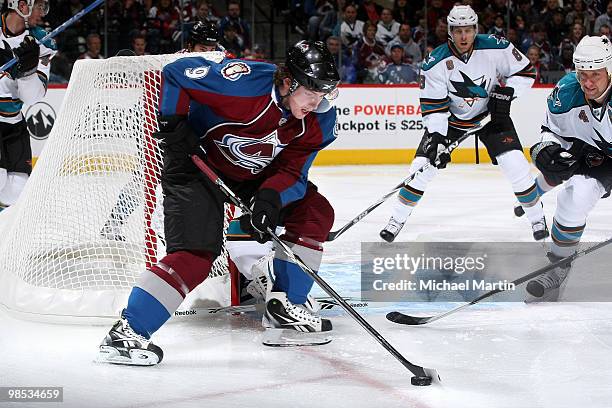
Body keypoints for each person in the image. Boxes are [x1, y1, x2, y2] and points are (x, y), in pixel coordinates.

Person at [97, 40, 340, 365]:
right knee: (196, 253)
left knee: (315, 212)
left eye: (322, 93)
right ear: (288, 81)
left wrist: (271, 197)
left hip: (255, 175)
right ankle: (127, 333)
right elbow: (177, 73)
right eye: (310, 91)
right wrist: (173, 120)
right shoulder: (244, 83)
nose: (316, 101)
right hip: (197, 166)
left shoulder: (319, 119)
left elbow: (294, 172)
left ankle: (286, 308)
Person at [380, 5, 546, 242]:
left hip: (492, 116)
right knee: (420, 168)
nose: (464, 36)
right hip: (451, 121)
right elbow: (434, 107)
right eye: (458, 31)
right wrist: (437, 139)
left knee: (516, 165)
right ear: (450, 31)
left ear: (475, 29)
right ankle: (396, 219)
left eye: (468, 30)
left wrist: (507, 93)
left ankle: (537, 218)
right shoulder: (435, 62)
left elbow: (526, 73)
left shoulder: (495, 46)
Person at [101, 20, 228, 241]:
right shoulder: (174, 62)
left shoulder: (219, 60)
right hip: (165, 130)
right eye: (202, 49)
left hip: (199, 132)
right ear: (190, 45)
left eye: (211, 49)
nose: (208, 54)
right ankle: (115, 223)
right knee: (143, 179)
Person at [525, 35, 612, 301]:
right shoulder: (566, 92)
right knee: (574, 198)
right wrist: (544, 150)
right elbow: (550, 131)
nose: (587, 82)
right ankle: (559, 265)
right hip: (596, 156)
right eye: (582, 74)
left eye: (595, 75)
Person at [0, 0, 55, 210]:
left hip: (13, 121)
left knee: (16, 188)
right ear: (21, 5)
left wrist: (27, 72)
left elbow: (33, 98)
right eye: (40, 6)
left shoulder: (42, 41)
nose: (43, 13)